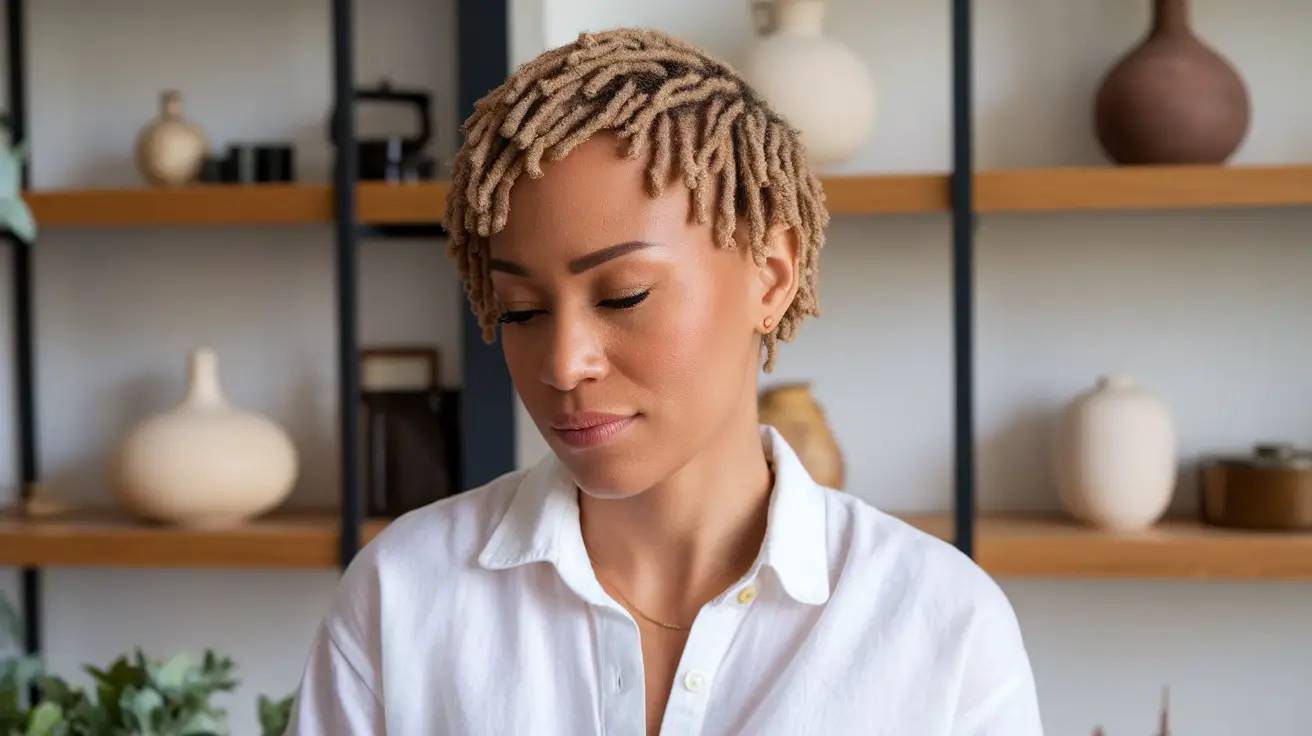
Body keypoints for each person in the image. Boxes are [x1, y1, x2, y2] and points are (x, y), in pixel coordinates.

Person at [286, 27, 1043, 736]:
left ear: (771, 278)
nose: (563, 363)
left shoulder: (941, 627)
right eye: (520, 312)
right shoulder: (403, 597)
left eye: (622, 297)